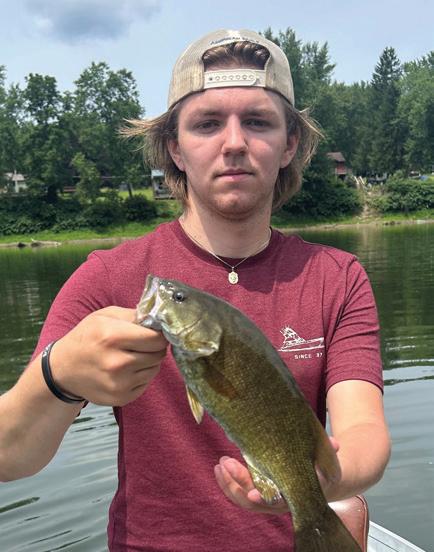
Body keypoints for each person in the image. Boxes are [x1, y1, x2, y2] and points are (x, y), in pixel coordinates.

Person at [0, 29, 390, 551]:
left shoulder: (337, 277)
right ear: (174, 149)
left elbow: (365, 435)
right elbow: (10, 457)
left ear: (290, 145)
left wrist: (311, 485)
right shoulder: (109, 277)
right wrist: (59, 374)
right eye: (207, 124)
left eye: (258, 121)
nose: (234, 143)